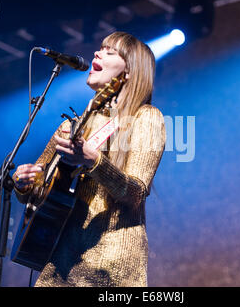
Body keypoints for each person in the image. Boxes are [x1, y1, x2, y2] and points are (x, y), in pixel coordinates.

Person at [12, 31, 166, 287]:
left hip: (109, 268)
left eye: (110, 51)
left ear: (128, 72)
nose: (97, 52)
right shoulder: (70, 127)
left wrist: (94, 162)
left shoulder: (146, 117)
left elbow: (136, 192)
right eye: (100, 47)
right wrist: (24, 182)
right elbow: (42, 191)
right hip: (59, 264)